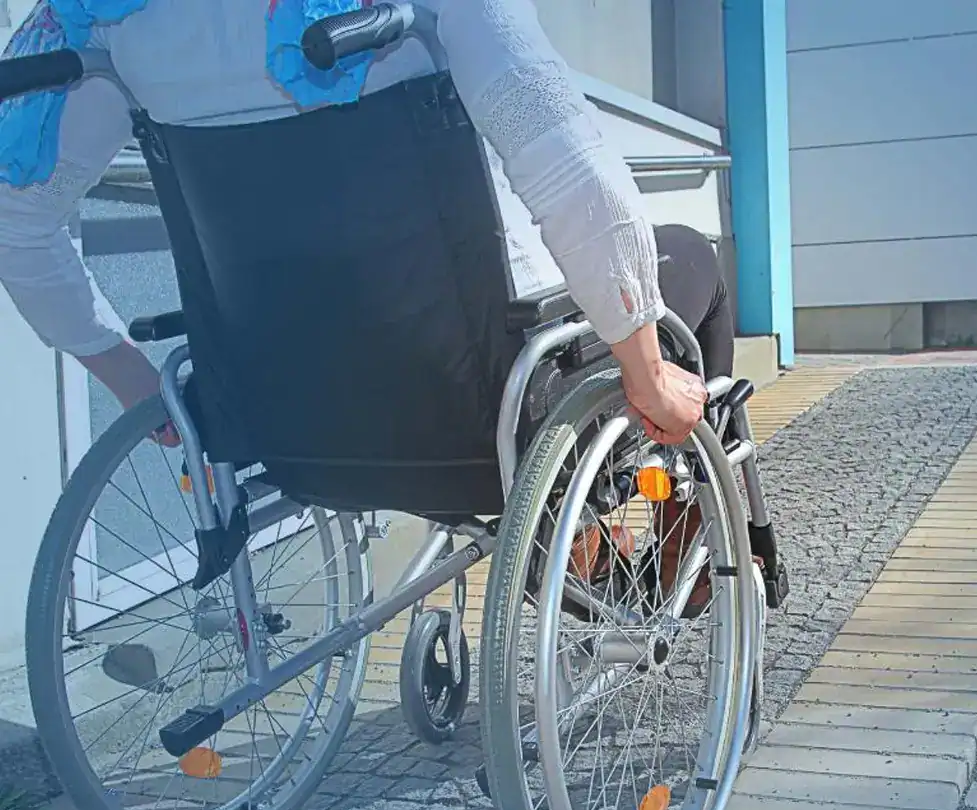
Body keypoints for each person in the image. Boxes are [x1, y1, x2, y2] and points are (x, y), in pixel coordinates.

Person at [0, 0, 741, 611]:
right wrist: (644, 370)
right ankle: (684, 542)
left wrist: (136, 385)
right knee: (694, 261)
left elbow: (13, 219)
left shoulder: (105, 17)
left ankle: (578, 547)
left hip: (284, 430)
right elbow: (566, 160)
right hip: (483, 413)